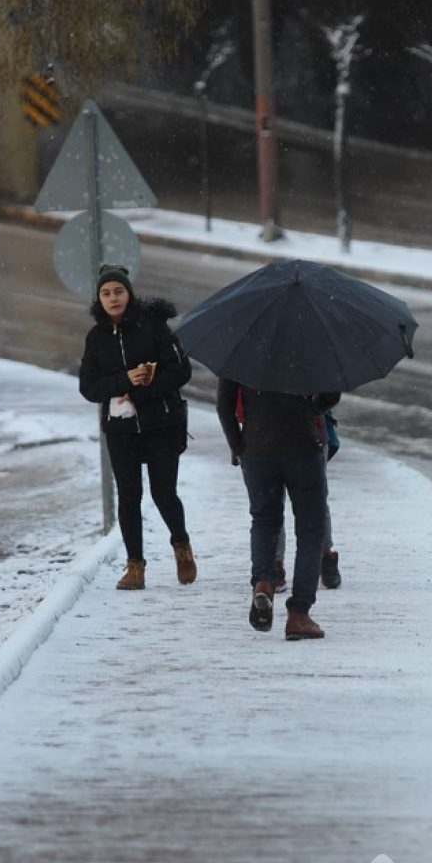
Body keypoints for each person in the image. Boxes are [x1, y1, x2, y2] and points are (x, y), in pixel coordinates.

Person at [79, 264, 196, 590]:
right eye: (106, 293)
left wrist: (146, 384)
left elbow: (182, 371)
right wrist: (122, 381)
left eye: (118, 291)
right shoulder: (96, 337)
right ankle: (135, 567)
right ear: (99, 300)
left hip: (161, 423)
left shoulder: (154, 328)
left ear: (129, 294)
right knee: (129, 496)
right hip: (121, 428)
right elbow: (88, 387)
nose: (113, 298)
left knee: (163, 492)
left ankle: (182, 547)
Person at [217, 380, 340, 639]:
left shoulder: (240, 347)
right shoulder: (307, 343)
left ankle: (263, 581)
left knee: (264, 521)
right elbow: (330, 394)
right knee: (310, 529)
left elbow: (224, 404)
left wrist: (238, 445)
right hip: (303, 446)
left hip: (257, 447)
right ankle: (299, 614)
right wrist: (311, 407)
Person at [273, 407, 341, 593]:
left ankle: (276, 566)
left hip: (296, 432)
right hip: (299, 431)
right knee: (311, 502)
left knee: (276, 506)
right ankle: (323, 558)